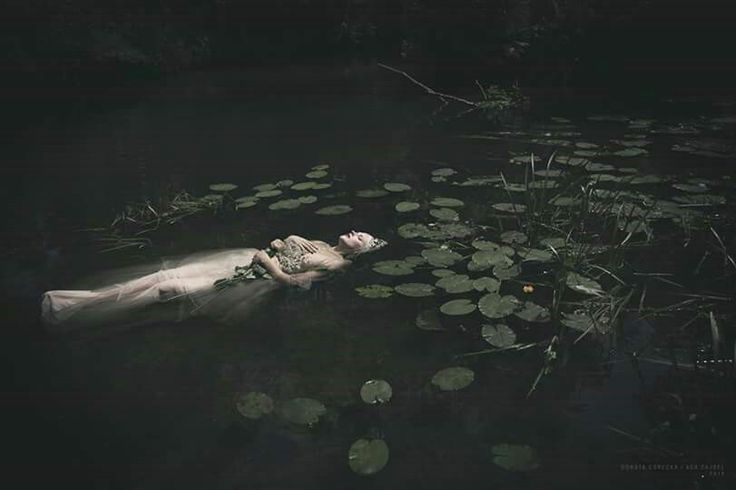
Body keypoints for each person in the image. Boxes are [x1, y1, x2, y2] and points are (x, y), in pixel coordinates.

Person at [40, 231, 387, 331]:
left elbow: (293, 282)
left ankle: (84, 310)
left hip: (249, 279)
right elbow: (283, 244)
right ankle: (83, 300)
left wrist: (268, 262)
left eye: (362, 238)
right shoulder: (323, 244)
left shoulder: (336, 264)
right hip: (243, 261)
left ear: (359, 252)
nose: (355, 232)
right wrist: (282, 242)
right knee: (164, 275)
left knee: (168, 289)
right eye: (358, 231)